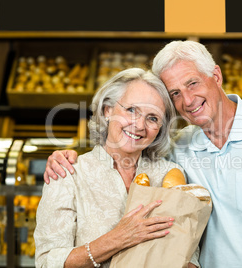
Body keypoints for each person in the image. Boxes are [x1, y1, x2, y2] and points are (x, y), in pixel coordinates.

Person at [44, 41, 242, 268]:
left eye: (192, 83)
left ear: (215, 76)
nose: (188, 100)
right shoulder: (180, 148)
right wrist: (66, 156)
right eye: (175, 93)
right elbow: (126, 146)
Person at [35, 68, 200, 268]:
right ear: (107, 110)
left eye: (152, 118)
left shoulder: (170, 174)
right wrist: (118, 238)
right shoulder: (68, 173)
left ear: (160, 129)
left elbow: (189, 256)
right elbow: (47, 262)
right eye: (131, 110)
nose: (139, 125)